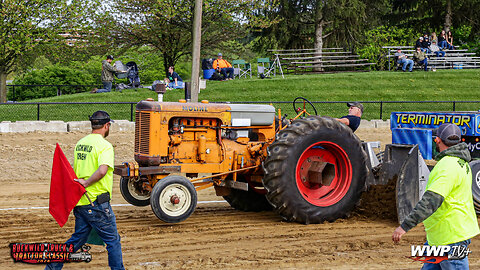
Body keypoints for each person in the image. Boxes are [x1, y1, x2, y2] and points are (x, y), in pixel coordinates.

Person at [392, 123, 479, 269]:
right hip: (443, 236)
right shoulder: (462, 162)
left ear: (437, 140)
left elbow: (431, 200)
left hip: (449, 238)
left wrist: (404, 226)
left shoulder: (446, 166)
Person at [45, 111, 124, 270]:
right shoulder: (105, 146)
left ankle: (53, 264)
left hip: (81, 201)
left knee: (78, 239)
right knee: (113, 241)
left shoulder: (81, 143)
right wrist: (87, 182)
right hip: (96, 202)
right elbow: (102, 171)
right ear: (106, 125)